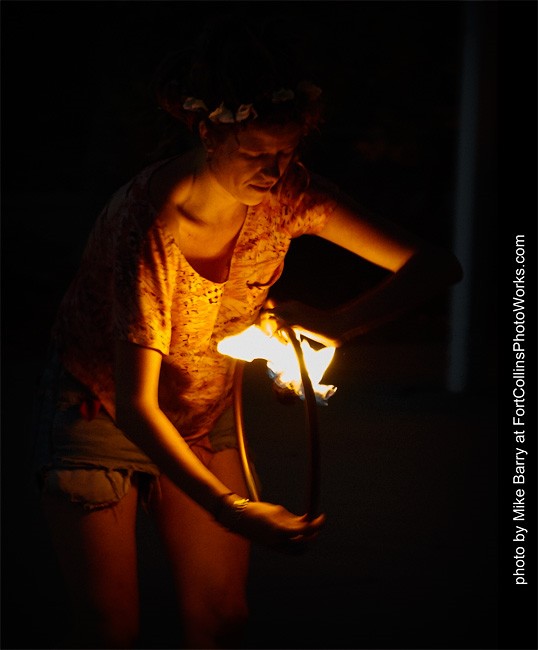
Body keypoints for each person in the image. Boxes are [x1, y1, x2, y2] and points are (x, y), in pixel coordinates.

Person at [34, 16, 462, 650]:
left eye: (287, 152)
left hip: (203, 413)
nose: (274, 171)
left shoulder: (291, 196)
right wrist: (229, 508)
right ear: (208, 132)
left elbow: (436, 266)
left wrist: (339, 324)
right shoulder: (149, 224)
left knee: (222, 618)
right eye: (257, 153)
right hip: (102, 409)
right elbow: (137, 405)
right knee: (109, 629)